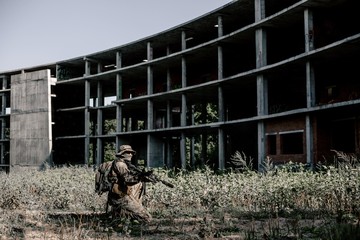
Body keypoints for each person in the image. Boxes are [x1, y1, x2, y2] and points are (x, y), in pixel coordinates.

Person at [107, 145, 153, 223]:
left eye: (131, 153)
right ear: (122, 154)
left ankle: (121, 220)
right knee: (147, 217)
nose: (130, 155)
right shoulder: (120, 164)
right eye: (128, 152)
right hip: (120, 197)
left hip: (122, 194)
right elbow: (128, 179)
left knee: (127, 217)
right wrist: (141, 177)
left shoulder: (124, 163)